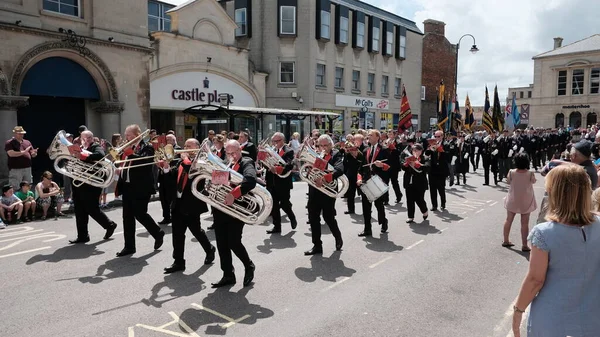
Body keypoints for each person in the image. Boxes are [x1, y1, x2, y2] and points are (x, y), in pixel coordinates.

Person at [512, 165, 600, 337]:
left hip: (553, 318)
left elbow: (535, 280)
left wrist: (518, 310)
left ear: (556, 193)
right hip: (593, 315)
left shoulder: (544, 232)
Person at [160, 138, 216, 274]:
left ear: (197, 147)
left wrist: (185, 159)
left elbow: (191, 171)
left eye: (188, 146)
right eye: (184, 145)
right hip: (177, 203)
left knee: (196, 231)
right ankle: (178, 262)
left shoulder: (202, 161)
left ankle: (209, 249)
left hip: (192, 204)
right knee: (177, 235)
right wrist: (166, 167)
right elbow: (172, 178)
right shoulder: (180, 161)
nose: (184, 148)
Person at [211, 140, 256, 288]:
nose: (231, 156)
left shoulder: (246, 162)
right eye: (228, 153)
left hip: (237, 210)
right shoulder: (223, 163)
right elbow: (214, 181)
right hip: (220, 209)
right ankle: (228, 274)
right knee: (221, 244)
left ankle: (248, 265)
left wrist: (234, 194)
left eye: (234, 153)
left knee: (234, 242)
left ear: (240, 150)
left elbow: (250, 180)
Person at [115, 124, 165, 257]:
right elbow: (125, 163)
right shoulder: (127, 147)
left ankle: (157, 232)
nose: (126, 138)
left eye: (129, 135)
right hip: (127, 186)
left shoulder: (146, 147)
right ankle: (129, 246)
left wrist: (130, 154)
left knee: (140, 214)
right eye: (125, 135)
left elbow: (144, 165)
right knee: (127, 217)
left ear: (137, 135)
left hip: (141, 187)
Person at [69, 131, 118, 244]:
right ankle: (83, 236)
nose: (87, 139)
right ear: (81, 139)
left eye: (89, 137)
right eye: (85, 137)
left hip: (91, 184)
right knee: (79, 210)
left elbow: (100, 156)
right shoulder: (79, 147)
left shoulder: (95, 146)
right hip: (79, 183)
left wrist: (83, 156)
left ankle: (109, 225)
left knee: (92, 208)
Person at [305, 135, 344, 255]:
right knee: (313, 218)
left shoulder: (336, 154)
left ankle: (338, 237)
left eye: (325, 145)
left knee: (328, 217)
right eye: (320, 145)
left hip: (328, 190)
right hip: (314, 190)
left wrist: (324, 178)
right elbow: (307, 170)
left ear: (331, 145)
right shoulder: (315, 155)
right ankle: (317, 245)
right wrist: (309, 171)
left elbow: (340, 169)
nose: (323, 148)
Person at [357, 130, 390, 236]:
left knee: (379, 205)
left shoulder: (384, 150)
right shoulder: (366, 149)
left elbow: (391, 166)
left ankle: (383, 221)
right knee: (366, 207)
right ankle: (367, 229)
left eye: (371, 135)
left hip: (378, 182)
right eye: (368, 135)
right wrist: (359, 178)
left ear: (377, 137)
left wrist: (382, 166)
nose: (368, 137)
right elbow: (360, 168)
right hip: (366, 182)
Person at [502, 153, 537, 251]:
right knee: (525, 223)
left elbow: (508, 181)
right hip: (526, 200)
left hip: (513, 199)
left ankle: (506, 240)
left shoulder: (511, 172)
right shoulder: (530, 173)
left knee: (509, 220)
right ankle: (524, 245)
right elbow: (533, 181)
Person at [264, 133, 297, 234]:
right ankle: (277, 227)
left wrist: (278, 169)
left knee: (284, 204)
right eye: (273, 141)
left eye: (276, 141)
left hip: (283, 182)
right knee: (274, 205)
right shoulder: (272, 151)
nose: (274, 143)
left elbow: (289, 165)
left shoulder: (289, 150)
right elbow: (266, 164)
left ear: (282, 140)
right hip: (271, 182)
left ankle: (292, 216)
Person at [401, 143, 429, 223]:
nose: (414, 152)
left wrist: (418, 165)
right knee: (409, 199)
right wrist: (406, 164)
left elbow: (427, 168)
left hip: (420, 182)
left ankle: (424, 210)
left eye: (416, 150)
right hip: (409, 181)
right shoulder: (408, 157)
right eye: (413, 150)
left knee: (419, 199)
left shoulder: (425, 158)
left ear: (421, 151)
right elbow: (402, 167)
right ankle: (410, 216)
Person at [157, 133, 180, 225]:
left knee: (172, 198)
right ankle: (166, 217)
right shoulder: (163, 149)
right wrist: (159, 164)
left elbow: (175, 163)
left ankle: (175, 216)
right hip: (163, 176)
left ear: (174, 140)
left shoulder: (178, 149)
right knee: (163, 198)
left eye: (169, 139)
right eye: (167, 139)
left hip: (172, 178)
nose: (168, 141)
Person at [426, 130, 448, 211]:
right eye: (435, 136)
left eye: (438, 136)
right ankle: (434, 205)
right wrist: (429, 148)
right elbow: (426, 154)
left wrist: (440, 149)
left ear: (442, 136)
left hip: (441, 169)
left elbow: (447, 156)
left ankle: (443, 203)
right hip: (432, 169)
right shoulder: (431, 144)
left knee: (441, 188)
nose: (437, 138)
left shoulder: (445, 144)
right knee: (432, 188)